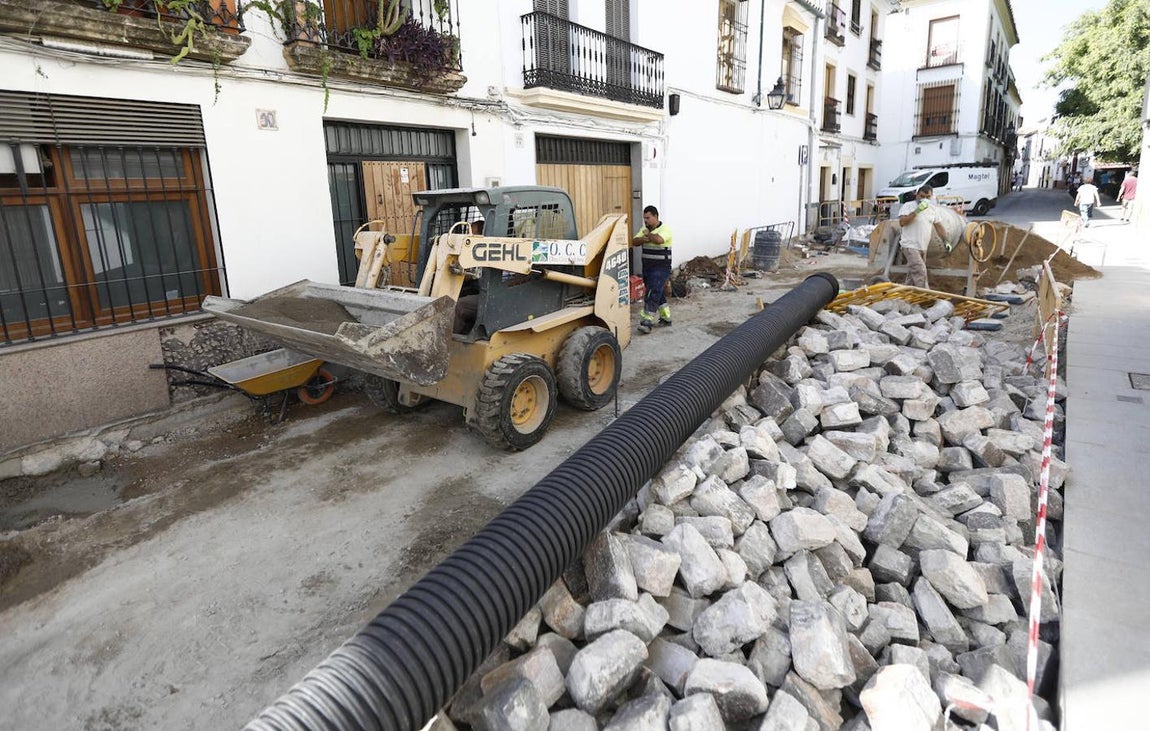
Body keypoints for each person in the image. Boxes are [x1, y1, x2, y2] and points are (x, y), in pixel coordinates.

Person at [631, 205, 673, 335]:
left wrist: (648, 235)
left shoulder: (665, 229)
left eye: (648, 218)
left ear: (655, 216)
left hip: (661, 268)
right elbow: (634, 241)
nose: (646, 221)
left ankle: (646, 321)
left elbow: (659, 240)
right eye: (644, 218)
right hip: (648, 267)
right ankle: (666, 318)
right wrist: (642, 238)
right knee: (657, 292)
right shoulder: (644, 229)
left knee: (652, 292)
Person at [896, 186, 947, 290]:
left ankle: (905, 296)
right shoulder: (908, 206)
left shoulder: (932, 209)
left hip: (923, 246)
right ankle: (926, 297)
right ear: (917, 195)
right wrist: (917, 211)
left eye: (927, 197)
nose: (924, 199)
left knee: (912, 274)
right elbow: (902, 222)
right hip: (910, 245)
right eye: (922, 196)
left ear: (931, 197)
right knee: (920, 272)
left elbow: (939, 226)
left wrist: (946, 240)